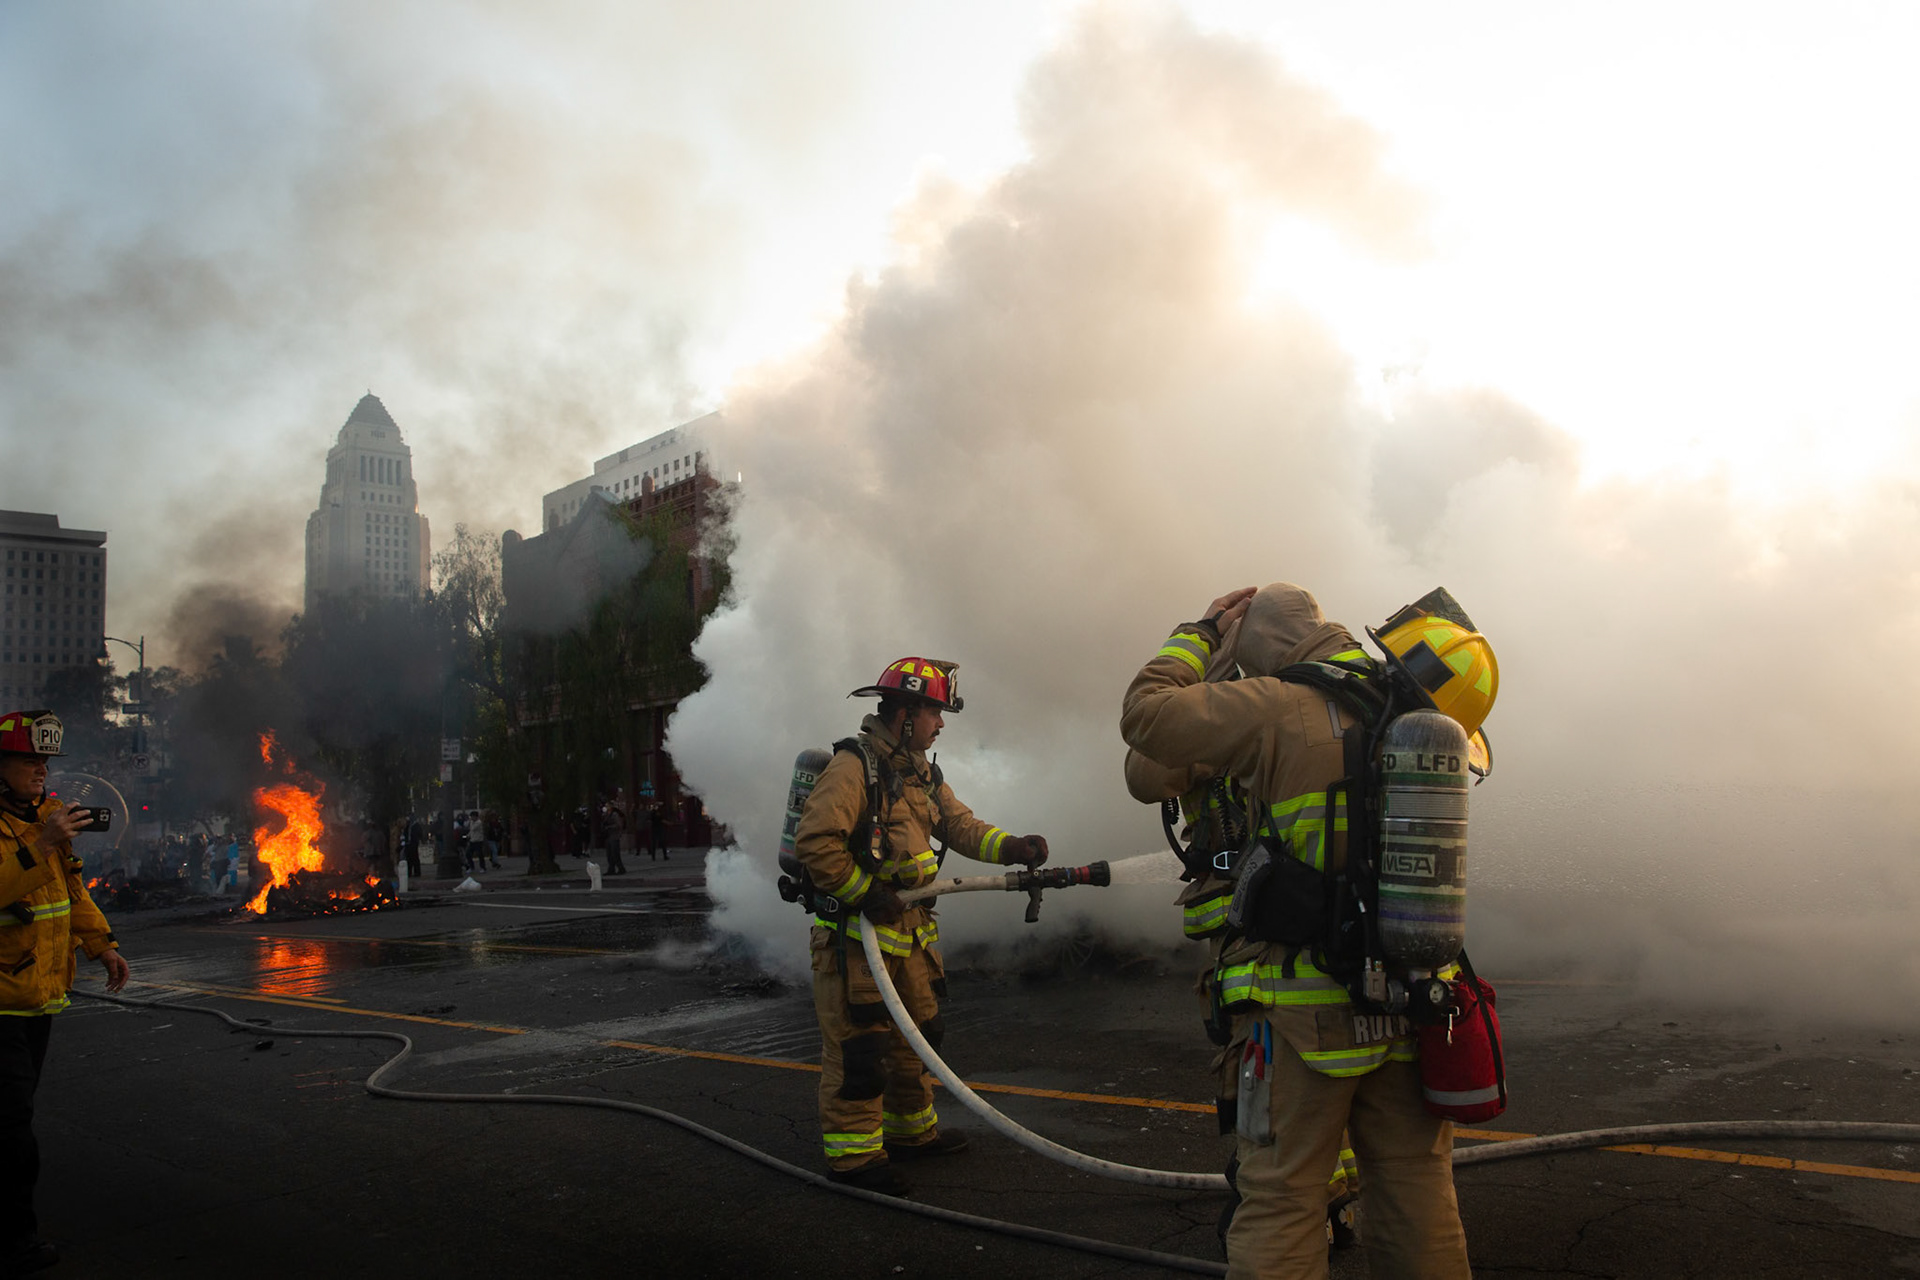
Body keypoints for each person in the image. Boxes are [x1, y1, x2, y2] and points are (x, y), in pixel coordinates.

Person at [1120, 585, 1496, 1279]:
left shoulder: (1278, 706)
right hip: (1413, 998)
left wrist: (1198, 635)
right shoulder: (1415, 714)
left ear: (1257, 644)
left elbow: (1146, 721)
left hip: (1302, 1007)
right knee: (1417, 1188)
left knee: (1282, 1198)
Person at [792, 657, 1050, 1197]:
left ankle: (910, 1133)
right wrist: (865, 893)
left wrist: (1013, 847)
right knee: (860, 1049)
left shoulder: (922, 772)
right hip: (854, 941)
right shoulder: (852, 766)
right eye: (935, 711)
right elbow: (816, 842)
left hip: (910, 939)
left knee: (916, 1042)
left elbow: (959, 825)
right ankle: (854, 1162)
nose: (942, 723)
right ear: (906, 714)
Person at [0, 710, 130, 1275]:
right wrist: (38, 846)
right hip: (1, 1001)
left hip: (38, 997)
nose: (42, 771)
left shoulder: (50, 818)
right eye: (30, 760)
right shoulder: (30, 830)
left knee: (15, 1119)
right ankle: (14, 1243)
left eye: (45, 761)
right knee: (11, 1130)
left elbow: (70, 889)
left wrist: (101, 943)